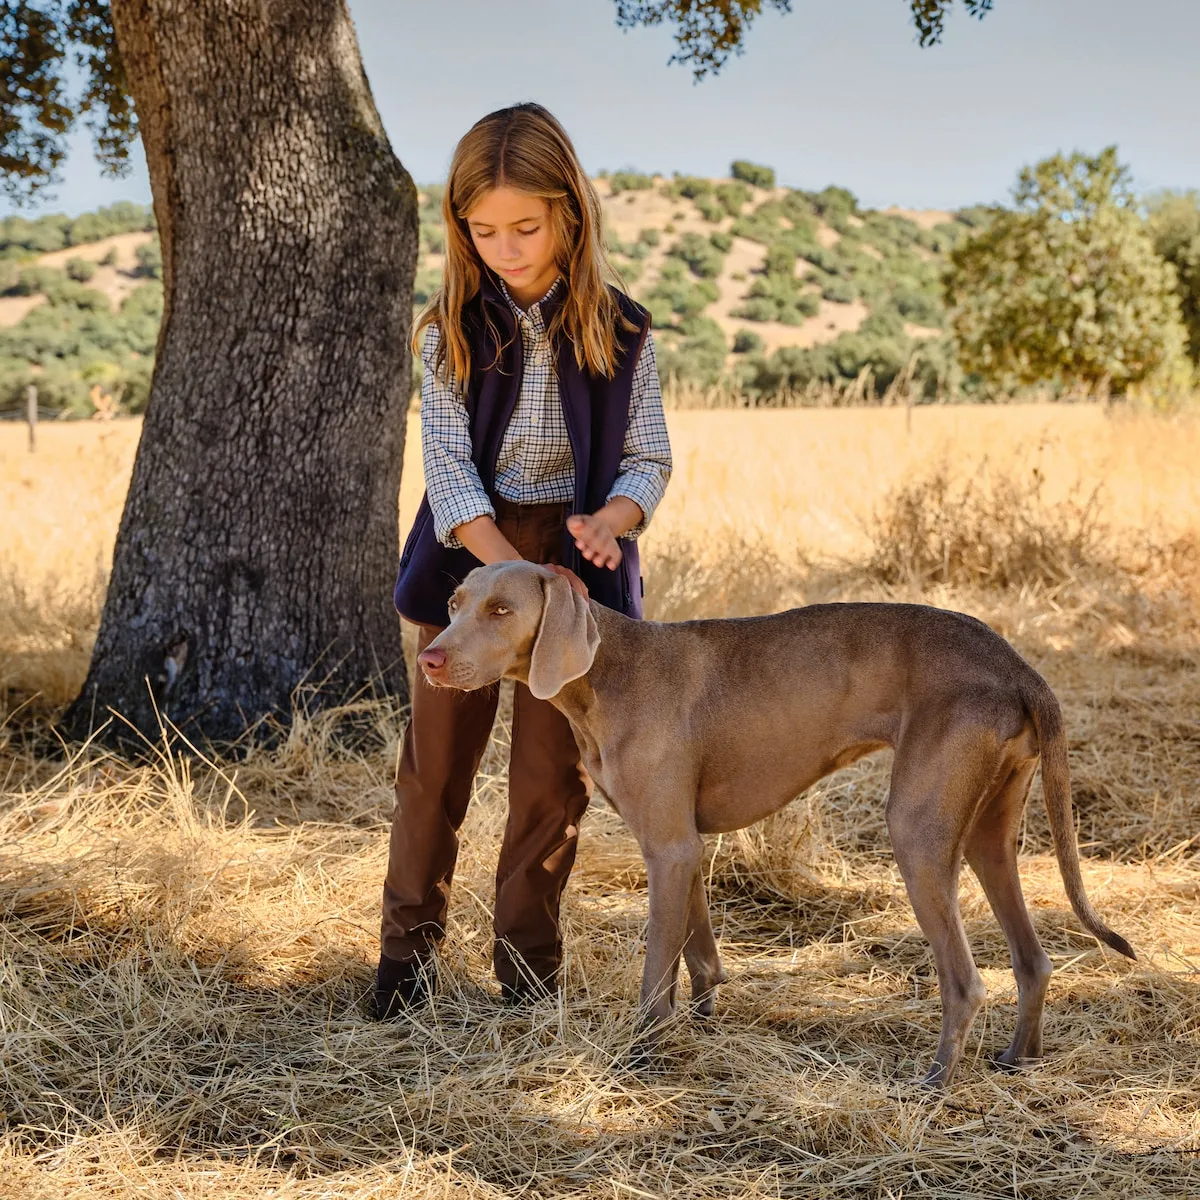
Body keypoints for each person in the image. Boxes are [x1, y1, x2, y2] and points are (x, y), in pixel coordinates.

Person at [376, 102, 672, 1016]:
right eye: (483, 229)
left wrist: (615, 520)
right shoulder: (449, 331)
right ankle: (405, 965)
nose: (505, 246)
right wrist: (509, 581)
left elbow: (649, 459)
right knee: (437, 768)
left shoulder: (623, 331)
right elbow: (450, 474)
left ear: (569, 215)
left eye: (526, 227)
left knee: (553, 778)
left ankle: (528, 974)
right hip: (474, 557)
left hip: (578, 571)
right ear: (461, 228)